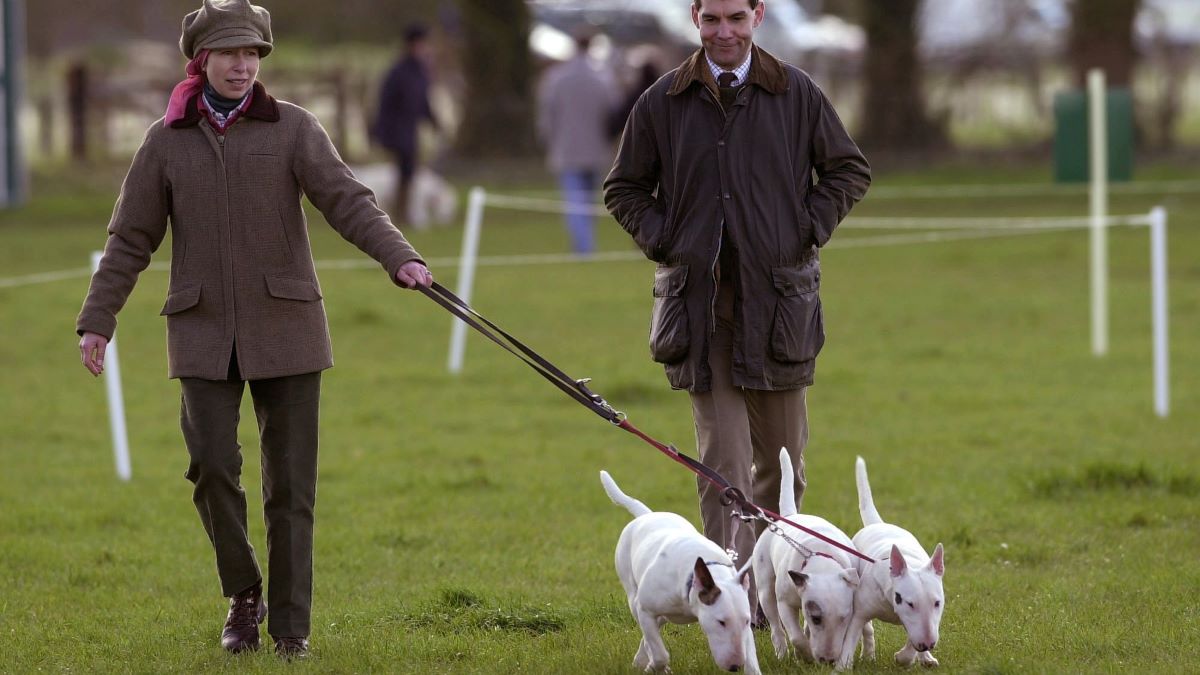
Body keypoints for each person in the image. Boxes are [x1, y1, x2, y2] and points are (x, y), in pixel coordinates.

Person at [75, 0, 432, 660]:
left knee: (291, 487)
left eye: (252, 54)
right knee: (211, 467)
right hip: (200, 328)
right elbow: (129, 239)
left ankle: (290, 628)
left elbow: (348, 199)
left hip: (290, 327)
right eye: (229, 53)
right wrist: (98, 320)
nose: (243, 65)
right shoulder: (164, 140)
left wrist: (399, 255)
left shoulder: (294, 128)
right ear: (200, 60)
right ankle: (244, 592)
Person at [603, 0, 871, 600]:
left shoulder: (797, 94)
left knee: (782, 468)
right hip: (701, 314)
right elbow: (623, 188)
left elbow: (849, 171)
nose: (724, 32)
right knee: (722, 466)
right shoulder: (662, 101)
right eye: (711, 20)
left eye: (736, 19)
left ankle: (774, 586)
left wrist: (804, 229)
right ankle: (733, 595)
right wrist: (664, 238)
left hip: (779, 308)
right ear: (694, 19)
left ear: (759, 17)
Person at [537, 26, 619, 255]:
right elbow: (614, 112)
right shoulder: (603, 77)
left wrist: (548, 140)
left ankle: (583, 246)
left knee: (575, 201)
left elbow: (546, 115)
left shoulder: (556, 77)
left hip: (566, 148)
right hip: (596, 149)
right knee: (589, 200)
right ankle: (584, 245)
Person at [374, 23, 440, 226]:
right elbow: (388, 103)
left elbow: (422, 100)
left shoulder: (419, 70)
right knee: (402, 172)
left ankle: (403, 213)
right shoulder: (399, 72)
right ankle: (396, 214)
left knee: (408, 172)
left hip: (409, 129)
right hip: (397, 131)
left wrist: (433, 120)